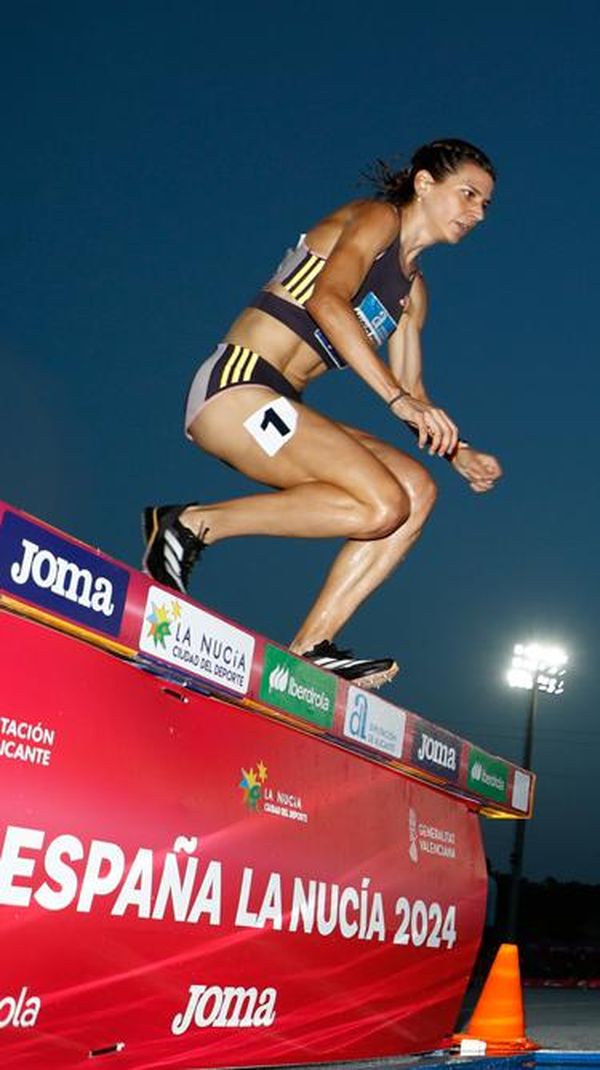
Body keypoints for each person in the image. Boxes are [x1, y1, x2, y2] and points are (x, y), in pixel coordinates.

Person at [142, 139, 503, 688]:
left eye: (485, 206)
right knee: (382, 503)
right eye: (469, 195)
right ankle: (191, 525)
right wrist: (395, 399)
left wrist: (458, 451)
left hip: (281, 406)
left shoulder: (413, 294)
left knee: (416, 490)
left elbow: (412, 386)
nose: (477, 213)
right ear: (425, 183)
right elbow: (326, 301)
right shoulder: (376, 218)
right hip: (236, 387)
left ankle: (312, 646)